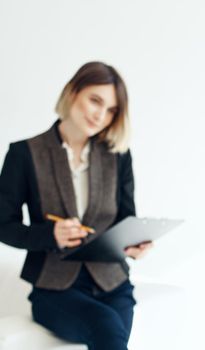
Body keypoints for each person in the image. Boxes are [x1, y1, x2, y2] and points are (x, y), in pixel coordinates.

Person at [0, 61, 152, 349]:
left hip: (112, 283)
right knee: (107, 328)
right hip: (55, 289)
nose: (101, 115)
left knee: (112, 334)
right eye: (96, 101)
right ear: (72, 92)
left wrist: (133, 243)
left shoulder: (117, 156)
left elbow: (125, 218)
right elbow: (2, 225)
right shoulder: (24, 154)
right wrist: (50, 235)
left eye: (111, 110)